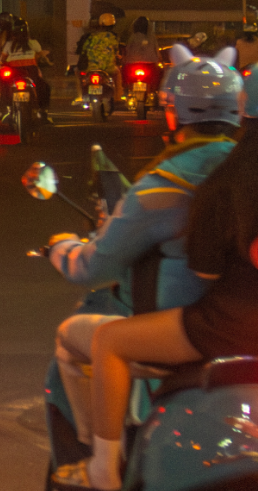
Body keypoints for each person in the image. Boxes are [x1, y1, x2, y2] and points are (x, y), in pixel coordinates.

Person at [58, 47, 254, 489]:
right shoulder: (241, 168)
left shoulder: (191, 182)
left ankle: (103, 469)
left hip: (215, 326)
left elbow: (201, 270)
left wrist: (63, 249)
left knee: (108, 339)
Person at [0, 14, 52, 117]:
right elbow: (41, 56)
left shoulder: (9, 45)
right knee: (45, 87)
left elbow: (2, 60)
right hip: (30, 72)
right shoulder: (33, 43)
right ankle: (42, 111)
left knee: (4, 86)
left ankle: (9, 109)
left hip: (13, 73)